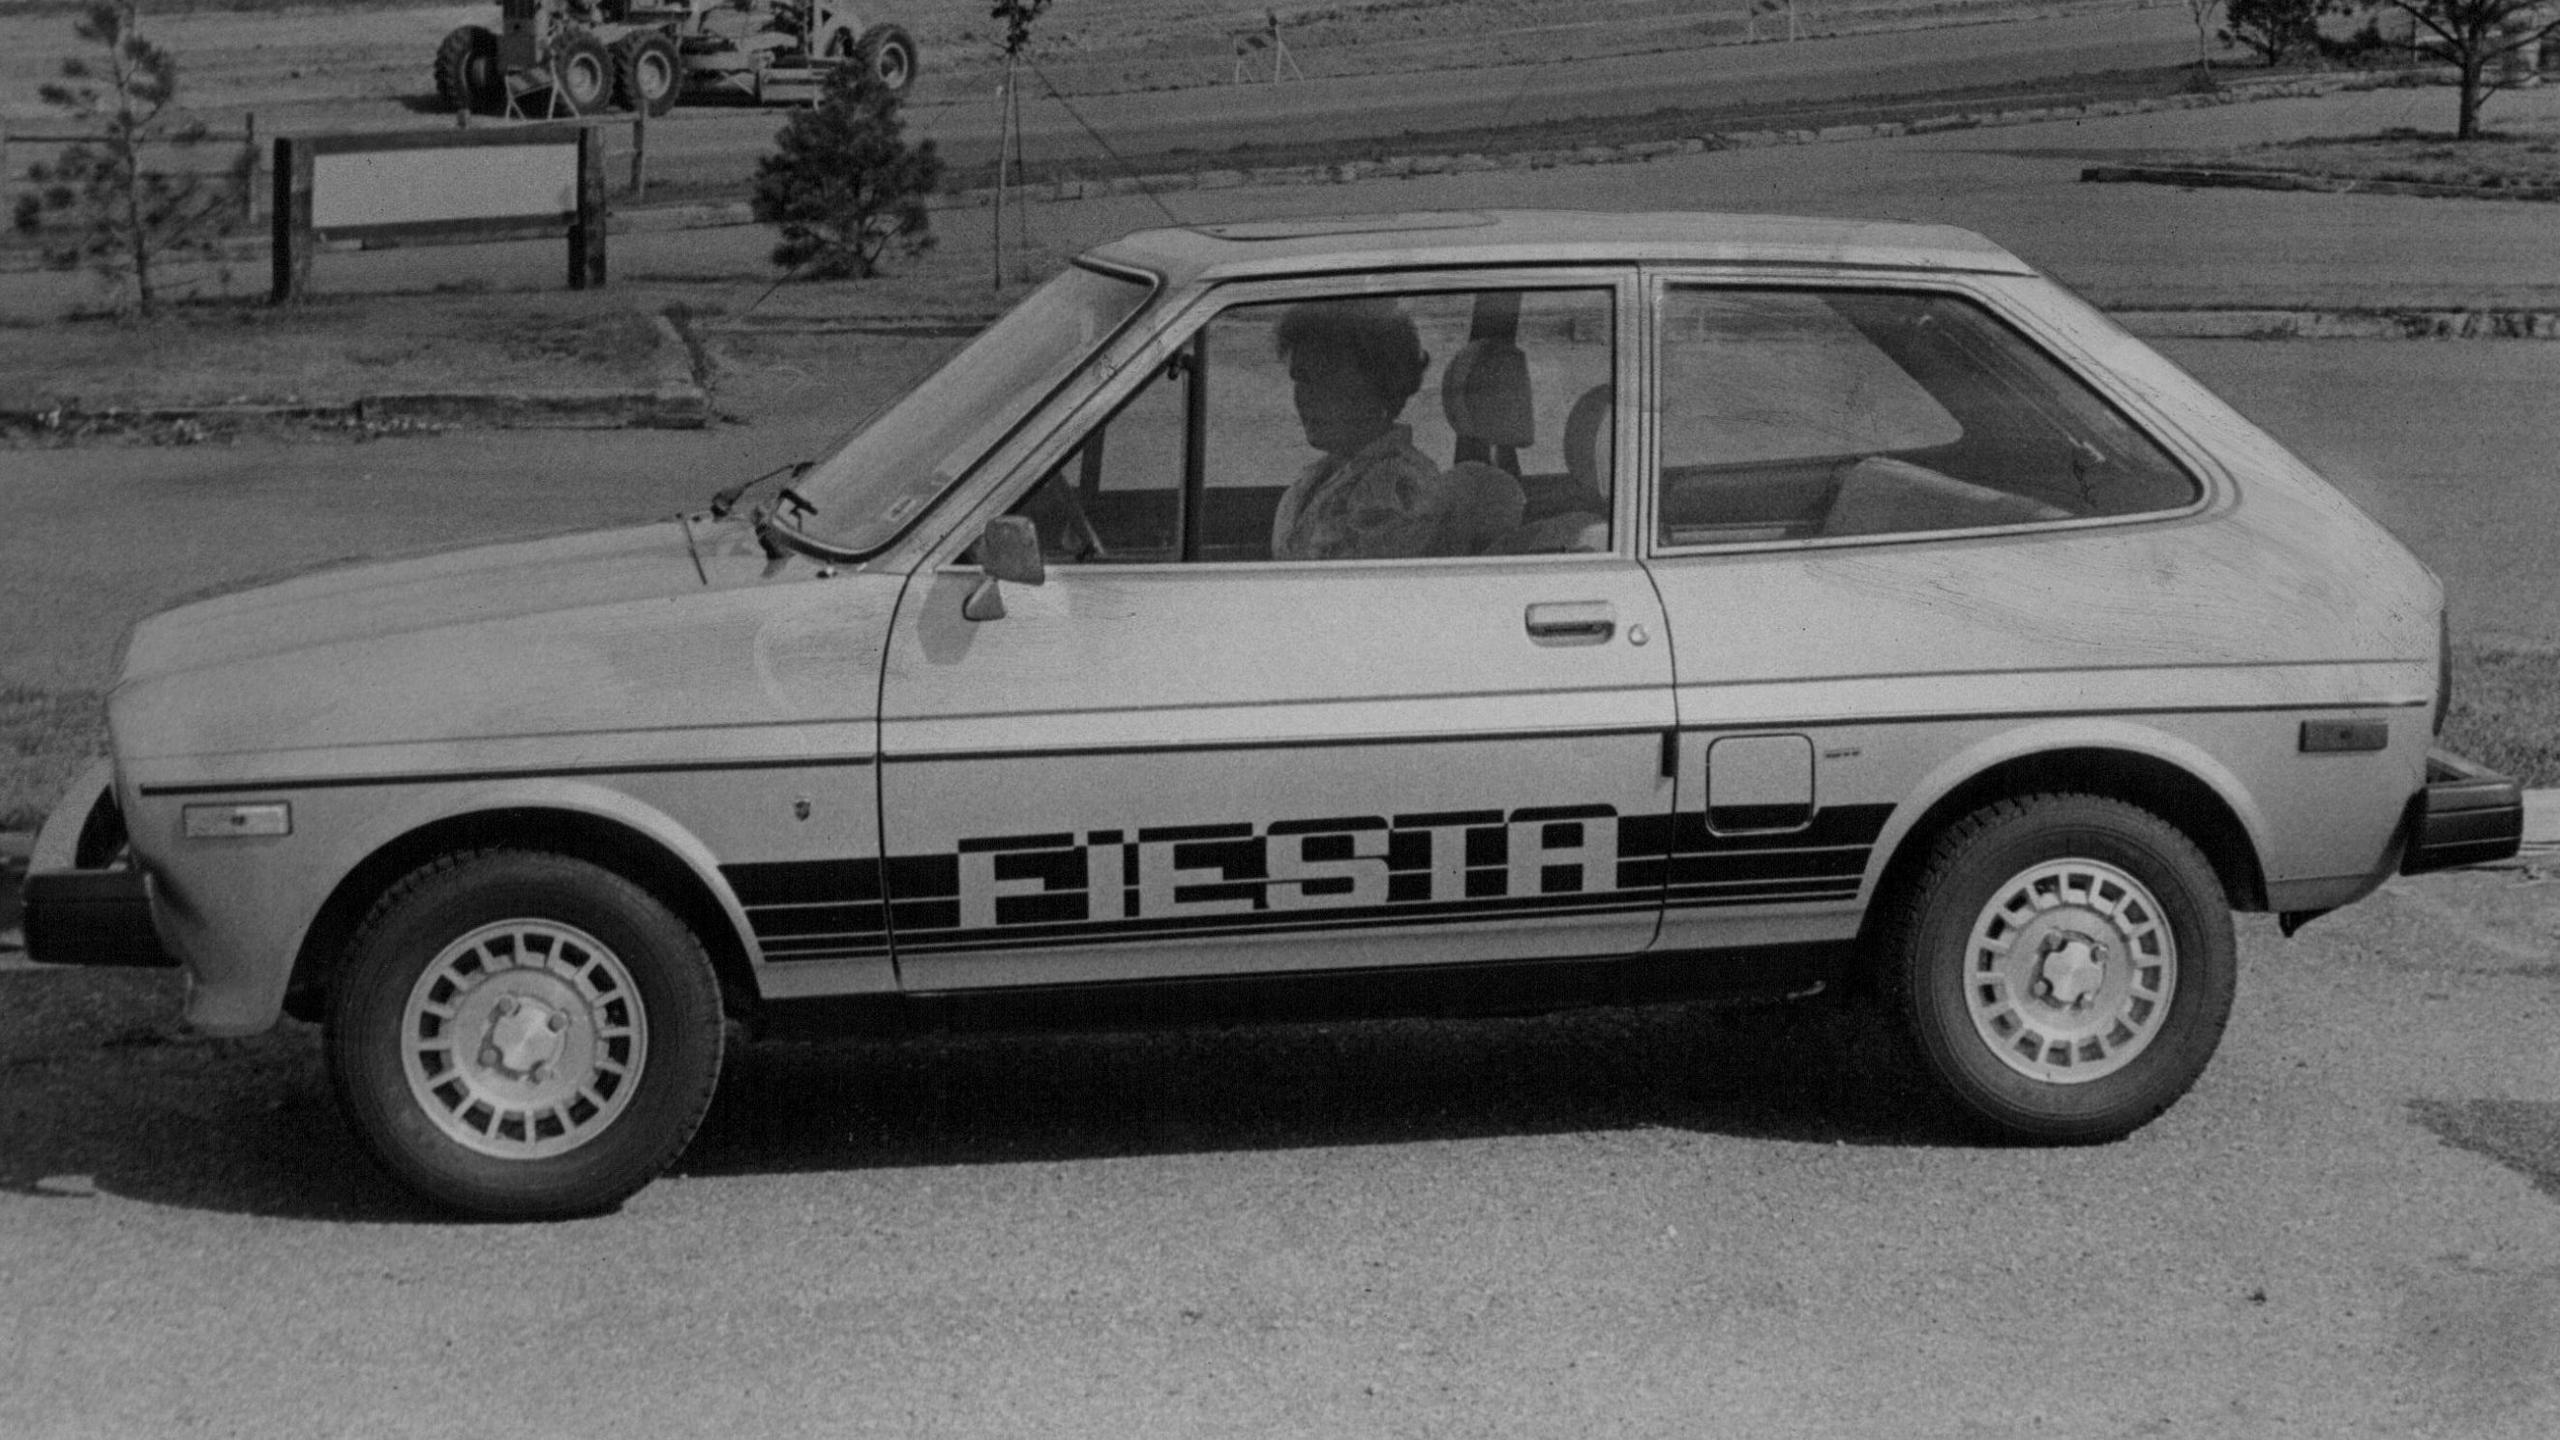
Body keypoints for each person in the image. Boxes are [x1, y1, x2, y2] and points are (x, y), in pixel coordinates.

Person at [1267, 299, 1453, 561]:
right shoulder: (1322, 476)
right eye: (1301, 378)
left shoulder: (1398, 488)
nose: (1307, 397)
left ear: (1382, 383)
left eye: (1326, 378)